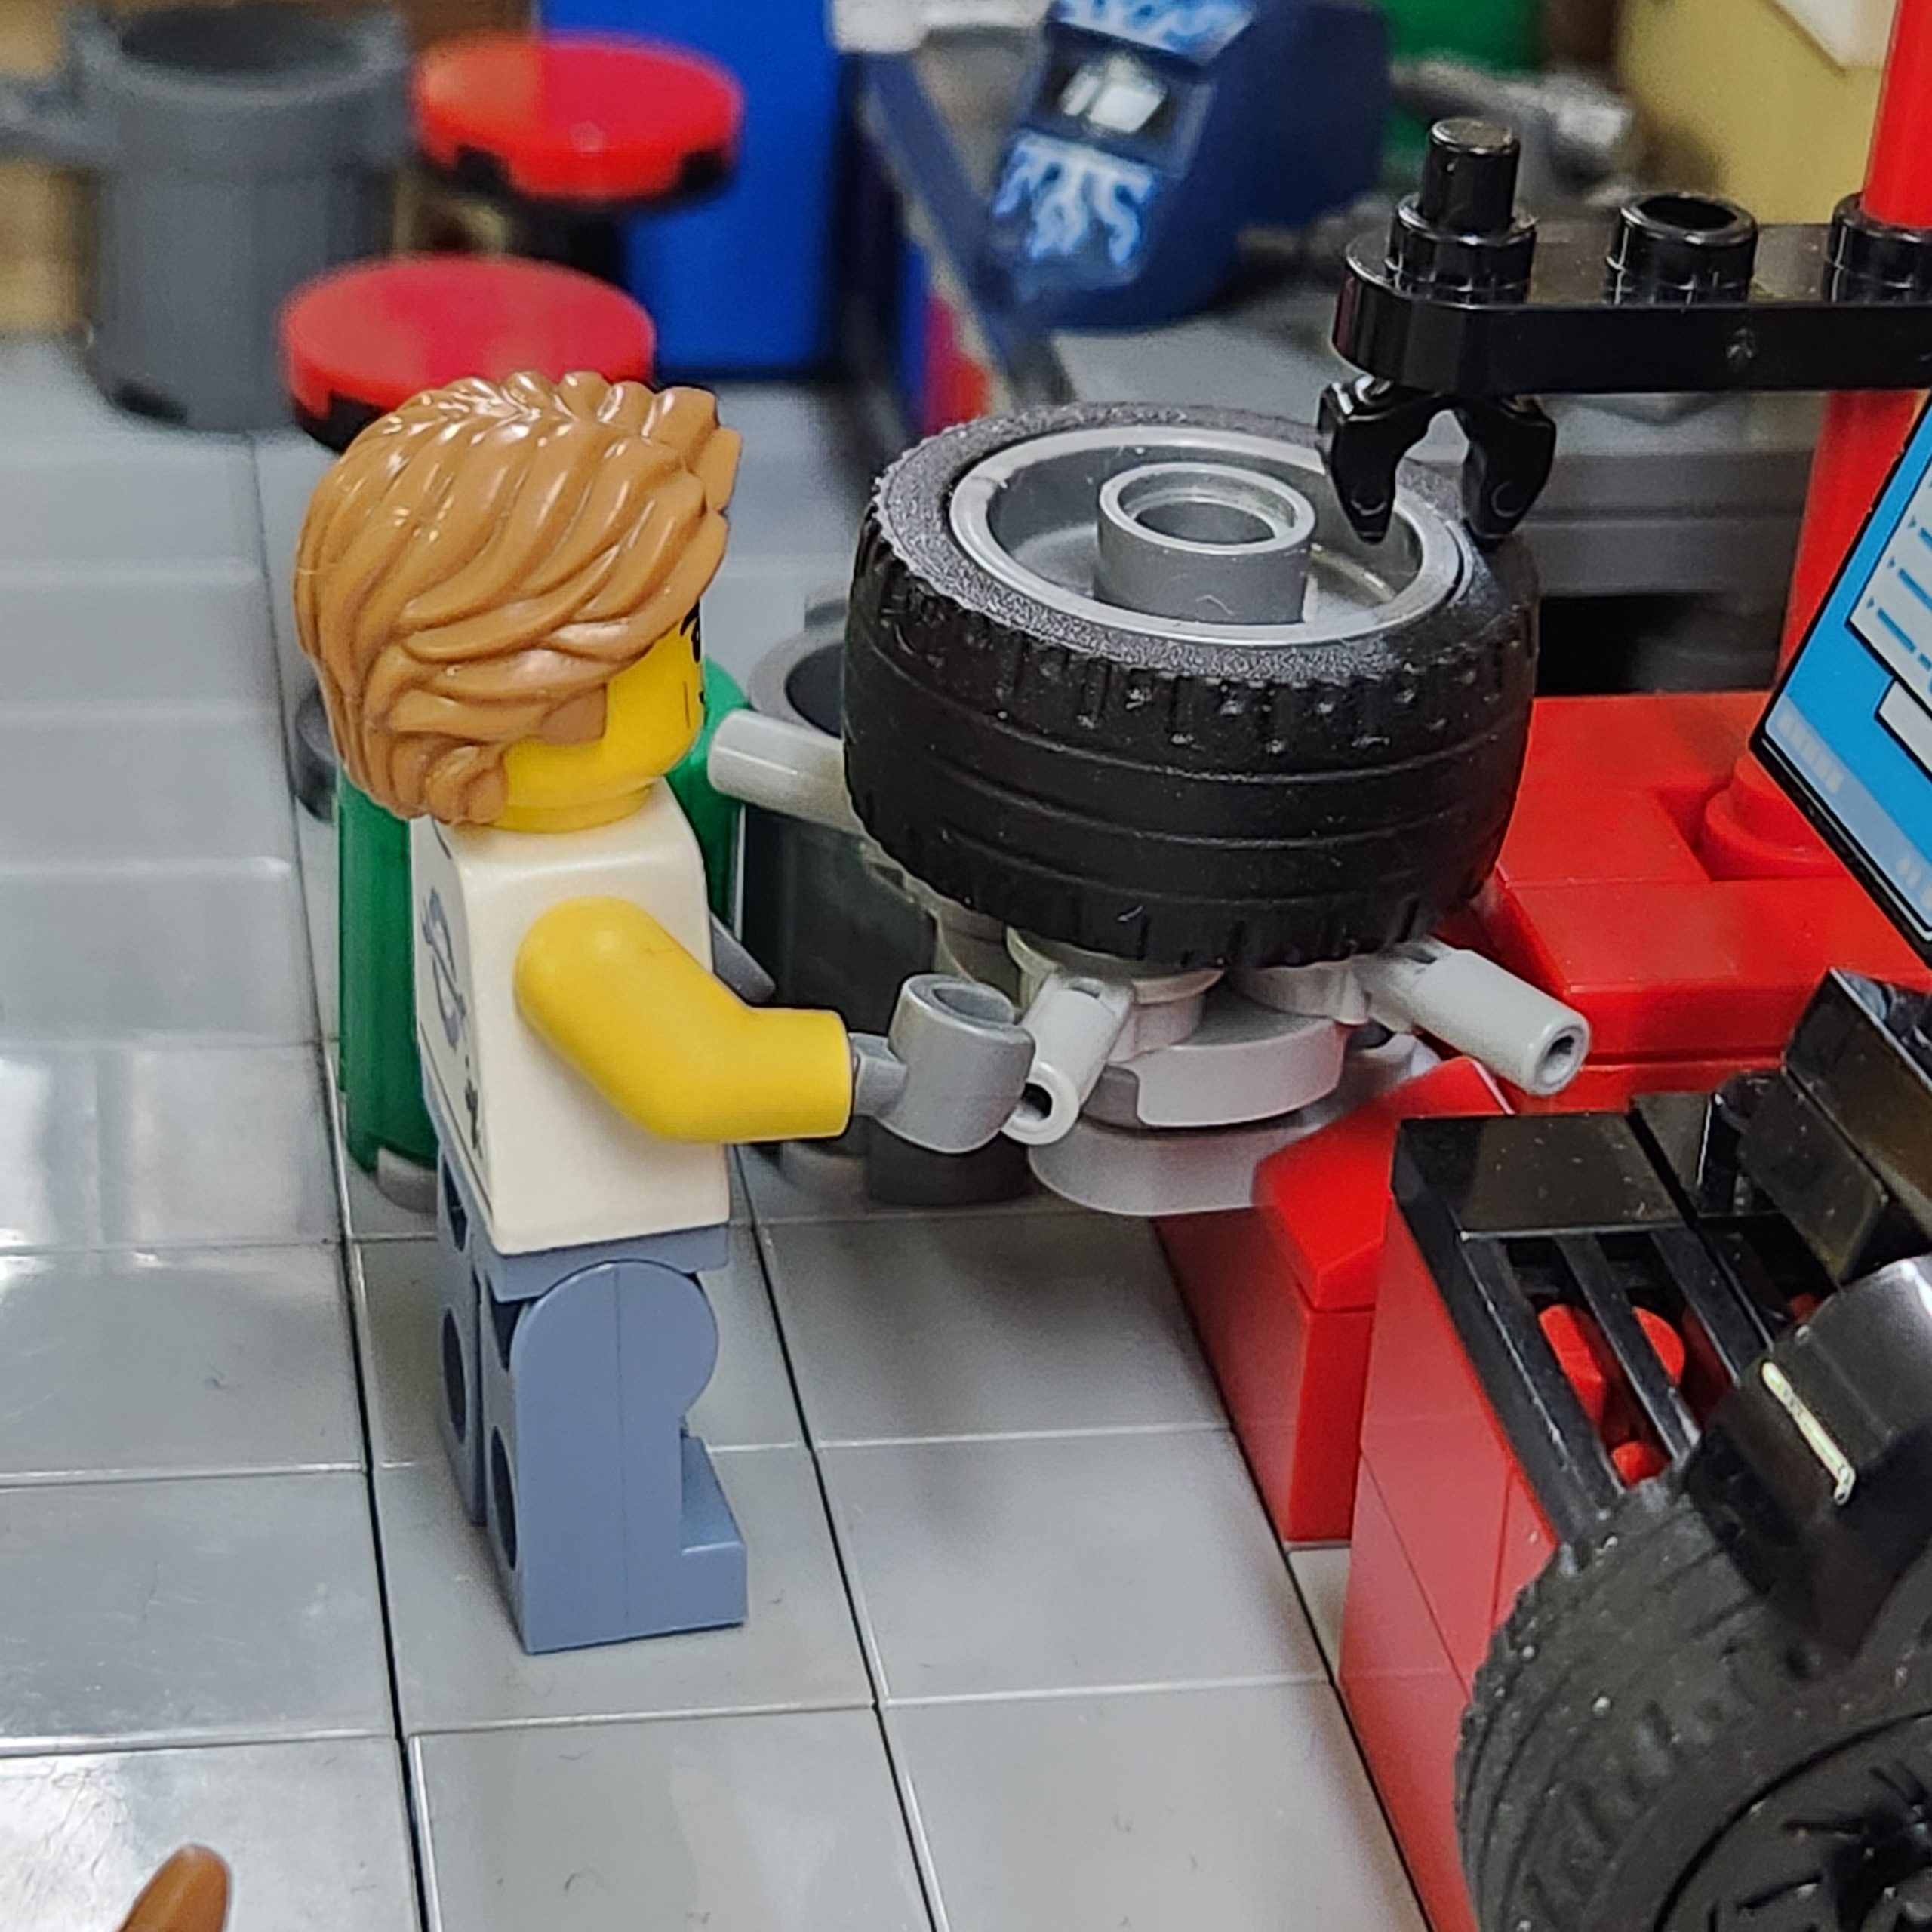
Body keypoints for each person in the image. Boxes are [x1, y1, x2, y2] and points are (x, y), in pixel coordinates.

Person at [295, 371, 855, 1652]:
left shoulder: (464, 824)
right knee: (611, 1392)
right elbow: (697, 1077)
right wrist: (870, 1071)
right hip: (597, 1239)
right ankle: (624, 1573)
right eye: (671, 646)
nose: (693, 671)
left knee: (492, 1359)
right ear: (540, 696)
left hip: (487, 1168)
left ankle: (492, 1473)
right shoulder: (578, 916)